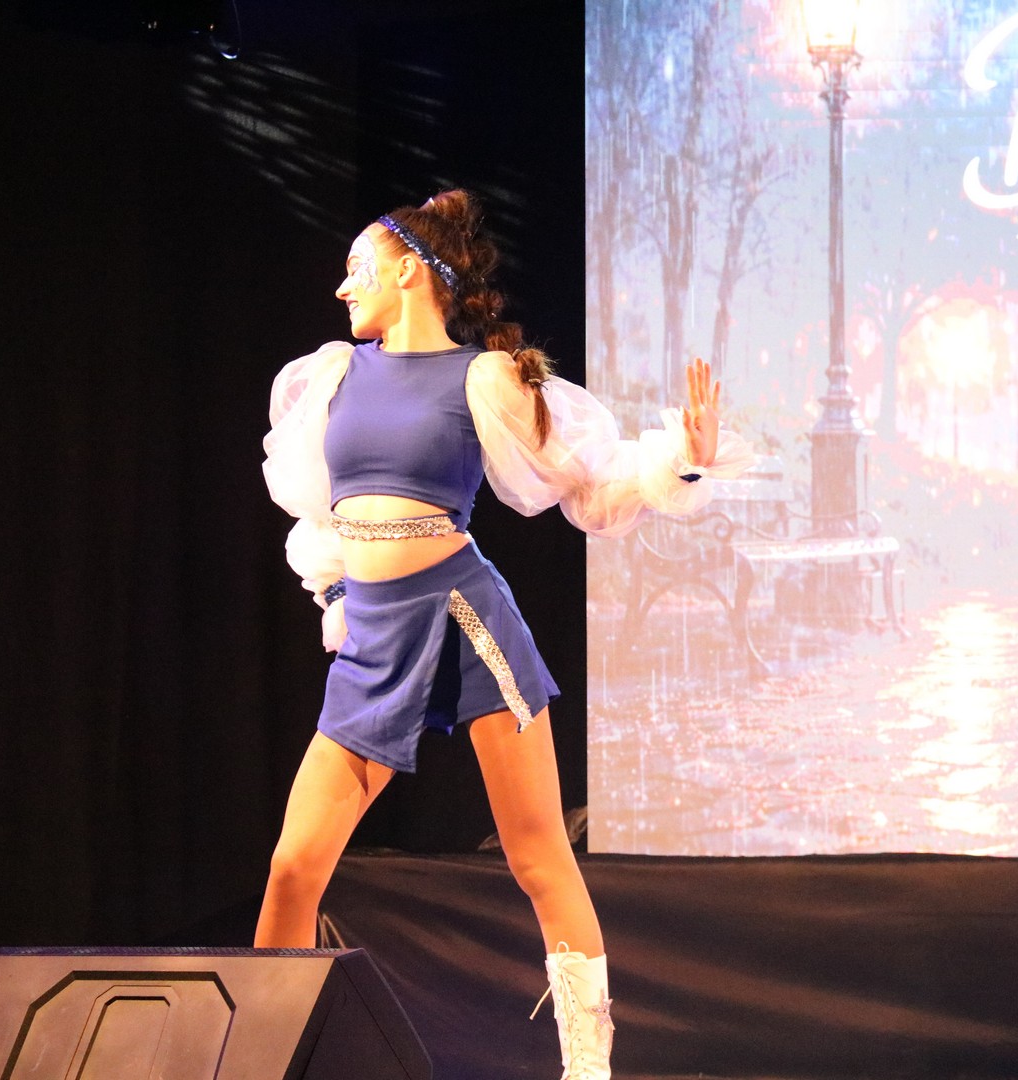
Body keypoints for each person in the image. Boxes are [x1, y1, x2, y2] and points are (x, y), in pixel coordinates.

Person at [257, 189, 753, 1079]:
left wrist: (684, 459)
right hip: (375, 638)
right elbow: (321, 519)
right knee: (294, 867)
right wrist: (336, 592)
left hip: (465, 620)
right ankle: (263, 1061)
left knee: (537, 856)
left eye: (357, 268)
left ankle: (588, 1071)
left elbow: (591, 487)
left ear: (409, 271)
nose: (342, 287)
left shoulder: (482, 380)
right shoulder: (332, 377)